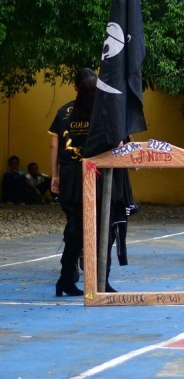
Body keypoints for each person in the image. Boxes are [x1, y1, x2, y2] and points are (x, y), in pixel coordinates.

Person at [50, 68, 118, 296]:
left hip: (71, 176)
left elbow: (54, 144)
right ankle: (101, 281)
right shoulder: (103, 113)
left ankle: (65, 279)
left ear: (76, 88)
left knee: (76, 231)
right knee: (105, 229)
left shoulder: (64, 111)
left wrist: (55, 175)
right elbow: (116, 144)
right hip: (98, 175)